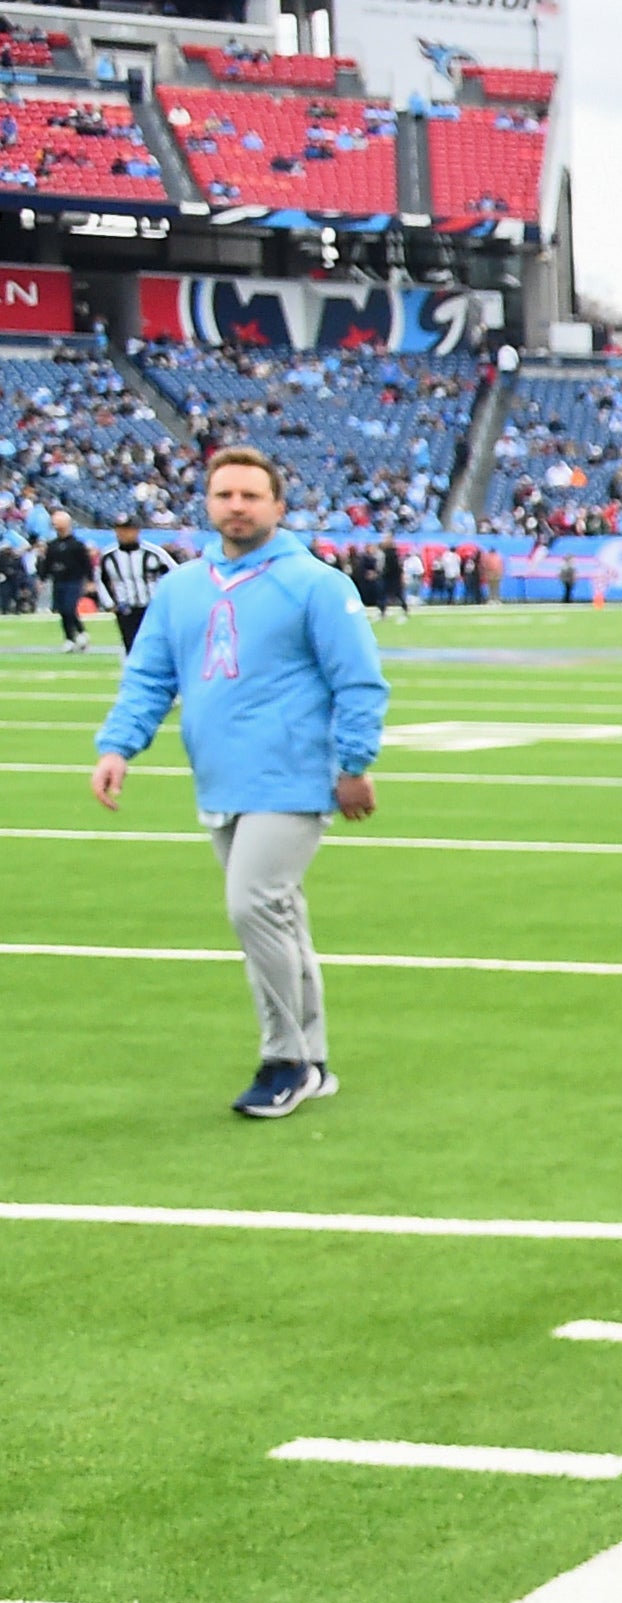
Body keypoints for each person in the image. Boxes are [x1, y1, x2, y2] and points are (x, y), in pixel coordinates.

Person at [84, 446, 386, 1119]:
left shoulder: (314, 583)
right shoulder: (183, 587)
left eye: (252, 495)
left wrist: (354, 764)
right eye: (225, 495)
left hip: (294, 776)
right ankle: (313, 1058)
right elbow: (150, 676)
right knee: (281, 917)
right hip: (220, 776)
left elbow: (358, 679)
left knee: (252, 905)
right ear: (208, 503)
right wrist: (118, 746)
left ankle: (284, 1059)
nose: (238, 506)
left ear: (278, 505)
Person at [95, 514, 169, 653]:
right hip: (126, 608)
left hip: (152, 607)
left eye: (127, 529)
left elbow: (175, 575)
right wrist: (110, 604)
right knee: (131, 645)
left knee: (155, 644)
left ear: (136, 530)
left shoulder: (154, 553)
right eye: (119, 529)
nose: (122, 533)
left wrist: (167, 602)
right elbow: (100, 580)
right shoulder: (108, 555)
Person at [43, 518, 96, 650]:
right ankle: (70, 638)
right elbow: (47, 563)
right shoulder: (52, 545)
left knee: (69, 608)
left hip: (73, 580)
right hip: (58, 580)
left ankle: (80, 632)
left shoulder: (77, 545)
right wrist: (42, 577)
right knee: (62, 611)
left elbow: (86, 564)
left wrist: (90, 580)